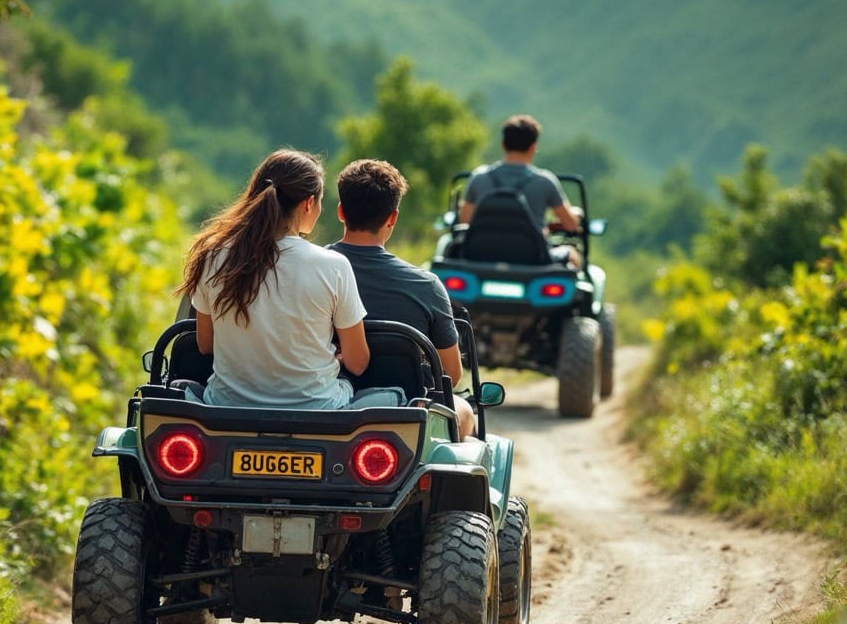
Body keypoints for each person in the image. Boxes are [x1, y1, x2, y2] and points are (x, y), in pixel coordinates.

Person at [175, 149, 404, 411]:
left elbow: (206, 344)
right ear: (308, 203)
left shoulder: (213, 256)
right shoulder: (333, 266)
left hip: (227, 405)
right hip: (318, 409)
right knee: (395, 398)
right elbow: (358, 363)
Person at [330, 159, 478, 439]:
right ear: (392, 217)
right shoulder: (426, 285)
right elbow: (451, 375)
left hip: (320, 403)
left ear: (340, 211)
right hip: (405, 416)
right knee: (465, 412)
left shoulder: (313, 272)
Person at [458, 114, 583, 268]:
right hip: (533, 258)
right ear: (533, 147)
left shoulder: (479, 178)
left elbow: (464, 221)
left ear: (503, 145)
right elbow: (570, 224)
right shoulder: (545, 181)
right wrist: (576, 215)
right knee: (571, 253)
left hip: (479, 254)